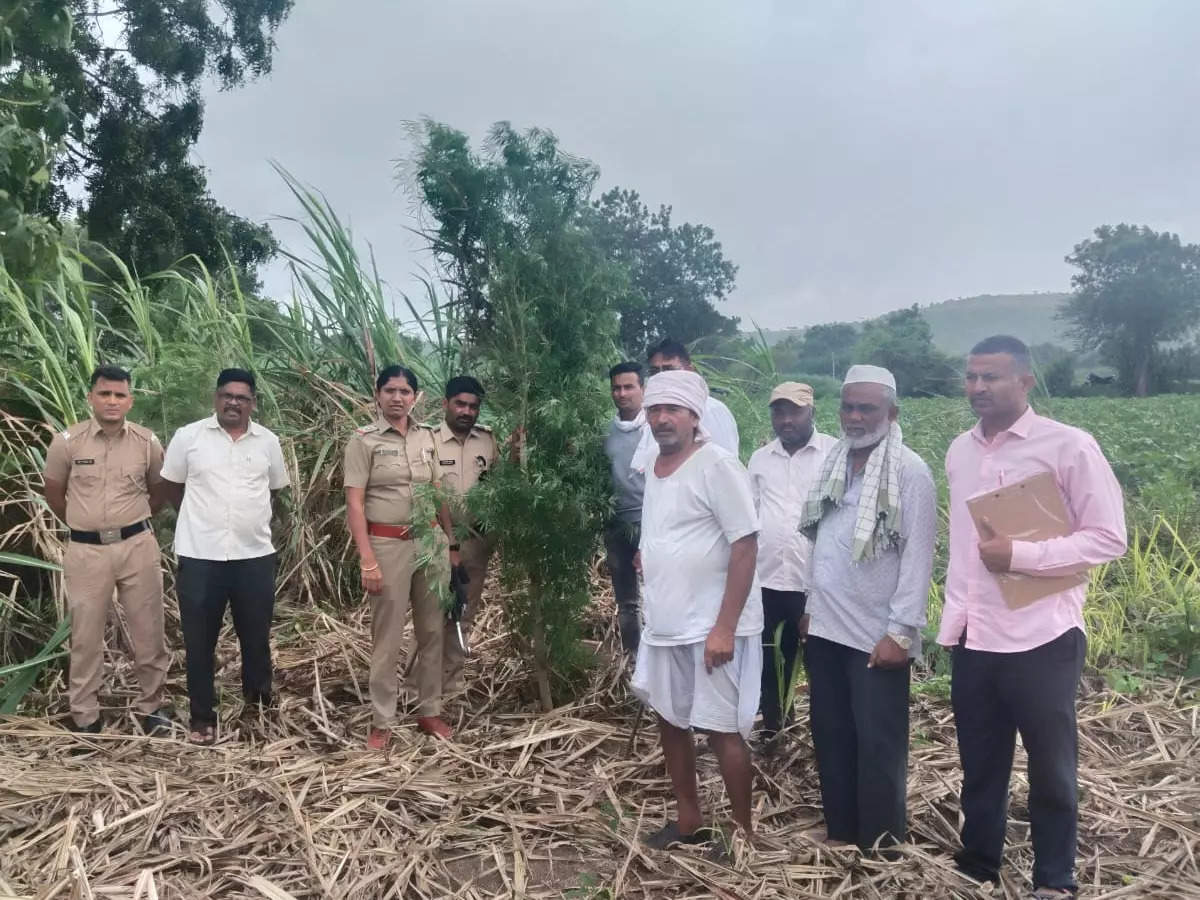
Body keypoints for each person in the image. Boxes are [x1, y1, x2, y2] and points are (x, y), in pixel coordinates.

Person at [940, 336, 1126, 898]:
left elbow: (1108, 537)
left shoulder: (1068, 447)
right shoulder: (959, 452)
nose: (977, 388)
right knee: (980, 760)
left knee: (1051, 765)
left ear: (1026, 381)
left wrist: (1021, 556)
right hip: (975, 635)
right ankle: (978, 862)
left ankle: (1054, 878)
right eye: (971, 377)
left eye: (991, 377)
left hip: (1042, 634)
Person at [798, 364, 937, 852]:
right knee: (832, 733)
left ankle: (880, 842)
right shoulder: (836, 464)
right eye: (848, 406)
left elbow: (919, 557)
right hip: (827, 628)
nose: (855, 417)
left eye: (867, 408)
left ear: (892, 413)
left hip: (877, 635)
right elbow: (823, 545)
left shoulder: (909, 472)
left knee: (878, 743)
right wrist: (811, 607)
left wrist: (900, 632)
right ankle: (840, 831)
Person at [632, 369, 763, 849]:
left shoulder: (718, 465)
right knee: (670, 720)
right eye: (655, 410)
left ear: (694, 416)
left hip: (711, 627)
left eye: (673, 410)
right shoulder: (654, 466)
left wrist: (724, 628)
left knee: (721, 730)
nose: (662, 419)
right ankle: (689, 822)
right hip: (666, 623)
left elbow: (745, 546)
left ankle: (741, 835)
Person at [161, 368, 290, 745]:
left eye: (242, 397)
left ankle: (259, 708)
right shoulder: (190, 438)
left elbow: (276, 492)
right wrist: (202, 520)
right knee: (200, 641)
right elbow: (171, 487)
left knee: (256, 636)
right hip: (201, 556)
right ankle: (202, 718)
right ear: (216, 397)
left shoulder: (267, 441)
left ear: (253, 402)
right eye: (227, 395)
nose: (234, 402)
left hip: (254, 557)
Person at [41, 365, 172, 736]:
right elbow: (55, 495)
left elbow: (158, 493)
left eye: (119, 395)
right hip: (87, 552)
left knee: (149, 630)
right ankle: (85, 715)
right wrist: (89, 527)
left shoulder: (147, 443)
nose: (112, 401)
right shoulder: (67, 442)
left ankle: (153, 707)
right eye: (104, 394)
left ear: (130, 400)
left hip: (137, 546)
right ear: (91, 397)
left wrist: (128, 524)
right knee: (85, 635)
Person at [344, 364, 460, 748]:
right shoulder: (363, 441)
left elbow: (439, 493)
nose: (397, 397)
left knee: (431, 633)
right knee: (387, 637)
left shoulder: (427, 438)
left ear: (415, 397)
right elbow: (355, 505)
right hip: (387, 545)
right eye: (390, 390)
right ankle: (382, 720)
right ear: (377, 396)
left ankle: (429, 710)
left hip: (430, 544)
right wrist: (367, 559)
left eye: (405, 391)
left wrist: (450, 543)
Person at [746, 382, 836, 743]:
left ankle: (825, 736)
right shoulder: (759, 459)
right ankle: (774, 727)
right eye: (778, 412)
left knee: (821, 663)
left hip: (815, 581)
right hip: (766, 579)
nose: (786, 420)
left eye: (794, 411)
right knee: (769, 659)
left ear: (811, 411)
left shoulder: (834, 453)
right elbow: (750, 516)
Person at [433, 375, 498, 691]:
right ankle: (421, 683)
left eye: (473, 406)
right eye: (460, 403)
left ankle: (452, 683)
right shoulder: (427, 440)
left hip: (475, 542)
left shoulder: (488, 440)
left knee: (462, 613)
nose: (467, 411)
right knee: (431, 616)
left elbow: (501, 484)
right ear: (445, 404)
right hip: (435, 544)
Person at [630, 338, 740, 472]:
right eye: (655, 372)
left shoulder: (713, 410)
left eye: (669, 369)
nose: (662, 377)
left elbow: (725, 468)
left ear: (689, 370)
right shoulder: (653, 410)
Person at [603, 361, 647, 654]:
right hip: (615, 525)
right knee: (627, 602)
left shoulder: (654, 430)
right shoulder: (605, 433)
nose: (622, 393)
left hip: (649, 521)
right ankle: (634, 662)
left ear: (642, 389)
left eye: (629, 386)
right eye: (616, 388)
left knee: (657, 595)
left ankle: (662, 665)